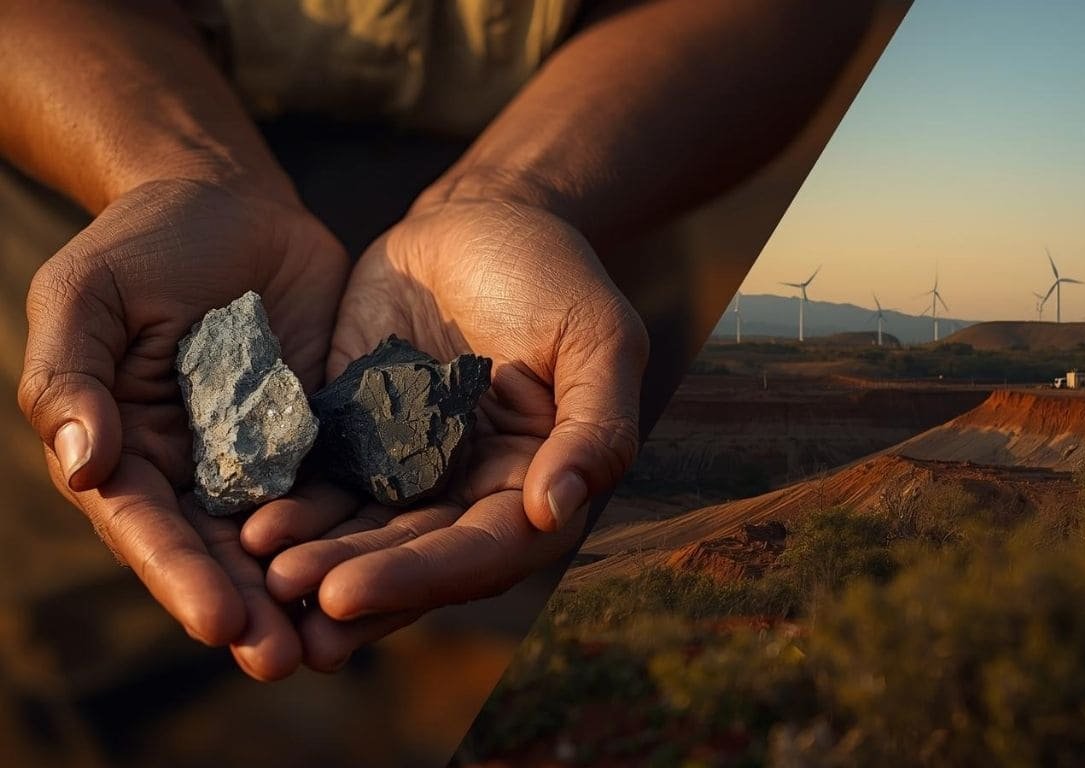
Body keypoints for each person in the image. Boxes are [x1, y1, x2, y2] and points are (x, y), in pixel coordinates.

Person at [0, 0, 874, 681]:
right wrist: (172, 167)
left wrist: (521, 194)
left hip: (598, 188)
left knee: (575, 606)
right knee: (99, 644)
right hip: (98, 200)